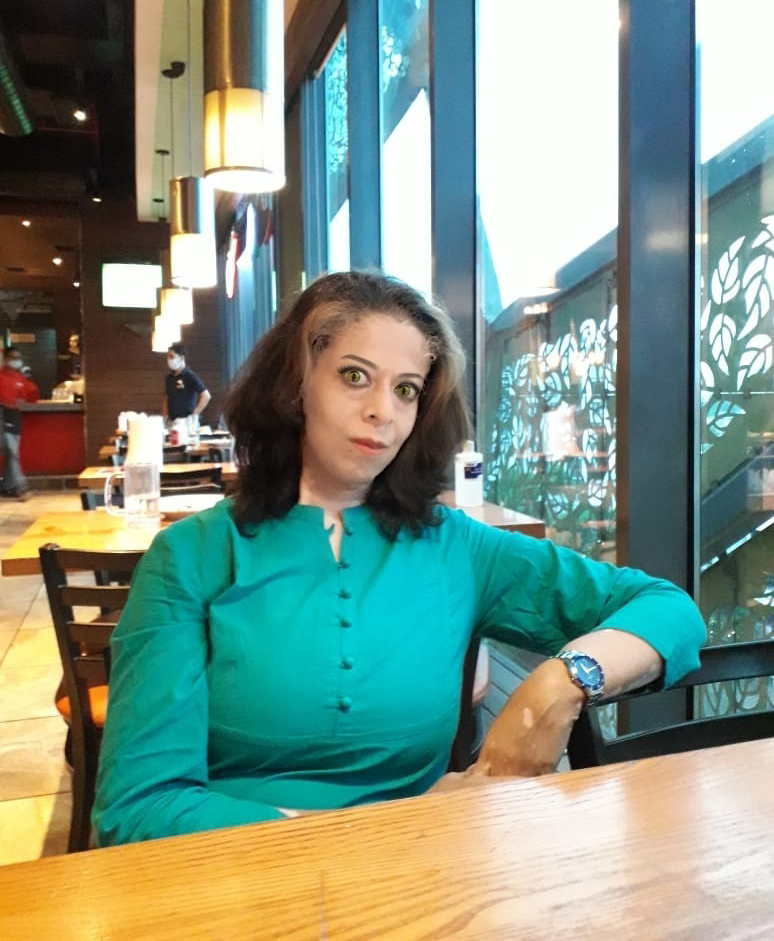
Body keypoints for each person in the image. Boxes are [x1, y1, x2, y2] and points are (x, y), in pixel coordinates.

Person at [94, 271, 706, 846]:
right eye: (354, 376)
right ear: (294, 384)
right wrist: (372, 836)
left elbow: (667, 608)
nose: (382, 411)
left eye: (406, 389)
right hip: (237, 881)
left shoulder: (457, 547)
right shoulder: (190, 555)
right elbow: (139, 807)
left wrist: (561, 682)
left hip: (420, 885)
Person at [0, 346, 39, 500]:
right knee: (12, 453)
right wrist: (8, 404)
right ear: (6, 359)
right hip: (3, 418)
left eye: (18, 358)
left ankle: (6, 487)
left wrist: (24, 399)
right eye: (13, 358)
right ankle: (21, 487)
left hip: (15, 420)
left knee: (11, 454)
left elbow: (31, 395)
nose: (16, 361)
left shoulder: (19, 378)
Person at [162, 342, 211, 422]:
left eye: (172, 356)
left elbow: (206, 396)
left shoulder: (190, 376)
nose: (168, 360)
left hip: (186, 421)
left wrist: (193, 415)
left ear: (181, 358)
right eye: (167, 357)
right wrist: (164, 418)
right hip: (171, 421)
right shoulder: (168, 378)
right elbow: (166, 398)